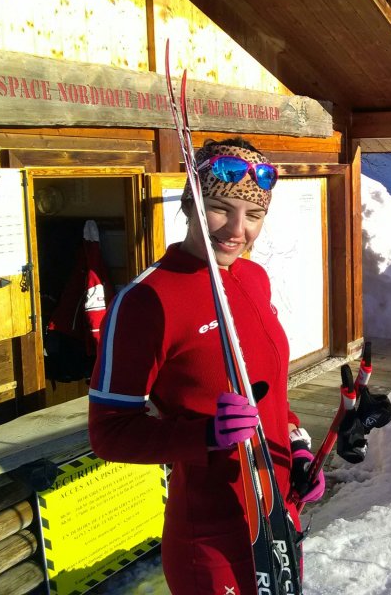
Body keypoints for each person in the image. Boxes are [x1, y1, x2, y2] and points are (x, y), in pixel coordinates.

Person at [88, 137, 324, 595]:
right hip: (212, 535)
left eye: (254, 215)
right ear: (189, 204)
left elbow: (267, 392)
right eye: (219, 208)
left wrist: (295, 446)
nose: (237, 229)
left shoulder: (253, 277)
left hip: (278, 514)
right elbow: (109, 433)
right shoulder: (146, 299)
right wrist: (206, 435)